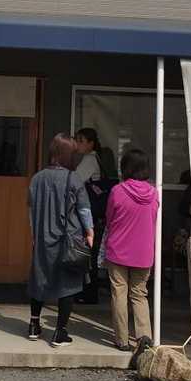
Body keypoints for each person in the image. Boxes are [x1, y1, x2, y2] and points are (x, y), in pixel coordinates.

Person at [27, 133, 94, 347]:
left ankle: (34, 325)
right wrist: (90, 233)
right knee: (68, 285)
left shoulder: (37, 178)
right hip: (68, 238)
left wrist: (34, 235)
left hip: (42, 237)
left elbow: (31, 211)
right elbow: (84, 210)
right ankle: (60, 332)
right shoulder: (73, 178)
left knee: (40, 279)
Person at [102, 147, 159, 351]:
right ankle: (144, 337)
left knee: (119, 293)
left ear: (125, 167)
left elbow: (109, 219)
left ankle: (122, 340)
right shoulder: (154, 194)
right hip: (144, 252)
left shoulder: (118, 191)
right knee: (139, 294)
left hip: (118, 250)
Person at [74, 127, 112, 304]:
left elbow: (75, 180)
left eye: (81, 141)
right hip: (95, 212)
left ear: (91, 143)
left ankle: (88, 292)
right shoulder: (96, 158)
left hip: (89, 211)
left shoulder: (89, 159)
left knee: (87, 252)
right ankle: (89, 292)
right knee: (91, 251)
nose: (78, 144)